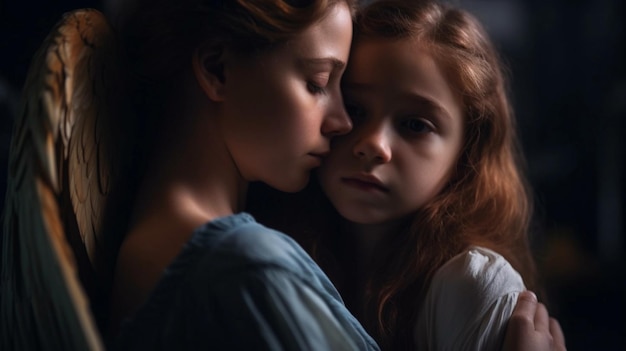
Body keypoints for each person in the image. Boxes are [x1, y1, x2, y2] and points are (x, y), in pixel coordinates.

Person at [248, 0, 567, 350]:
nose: (373, 145)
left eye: (415, 125)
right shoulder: (273, 250)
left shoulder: (472, 283)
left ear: (466, 153)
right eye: (354, 109)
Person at [108, 0, 380, 349]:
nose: (342, 122)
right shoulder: (243, 264)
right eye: (318, 83)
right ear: (217, 70)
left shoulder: (153, 245)